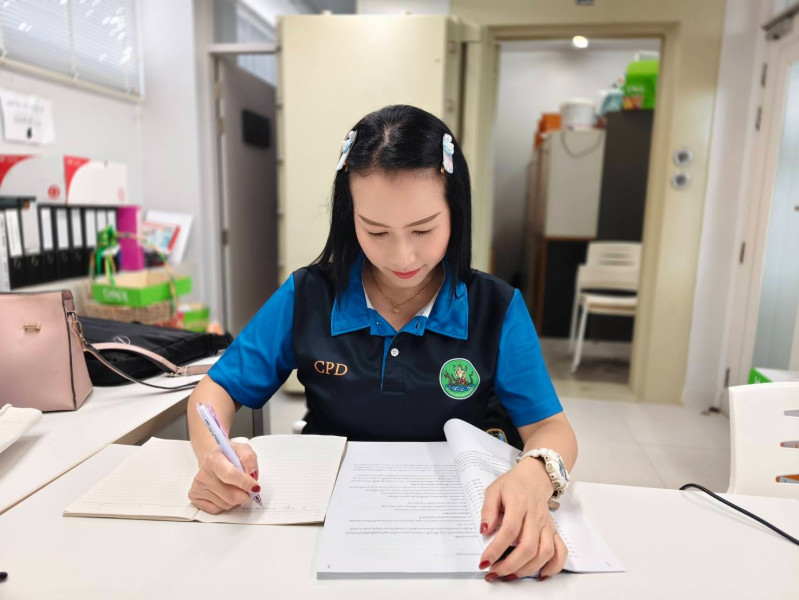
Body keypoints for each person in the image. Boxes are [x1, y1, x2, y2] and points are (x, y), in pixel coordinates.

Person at [186, 105, 578, 583]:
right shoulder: (310, 295)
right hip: (326, 527)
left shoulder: (496, 307)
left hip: (458, 529)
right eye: (376, 231)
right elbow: (215, 392)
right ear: (349, 216)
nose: (403, 256)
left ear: (456, 211)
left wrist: (534, 476)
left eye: (424, 229)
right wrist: (214, 458)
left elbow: (551, 428)